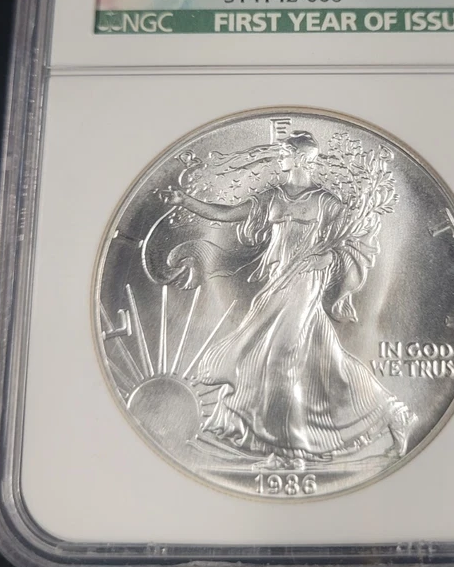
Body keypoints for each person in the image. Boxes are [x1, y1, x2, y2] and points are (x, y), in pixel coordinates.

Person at [161, 130, 413, 467]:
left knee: (280, 358)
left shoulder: (326, 202)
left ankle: (291, 451)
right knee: (326, 362)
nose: (279, 159)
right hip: (278, 283)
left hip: (305, 285)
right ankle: (393, 414)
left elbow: (358, 239)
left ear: (302, 159)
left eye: (284, 154)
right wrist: (186, 202)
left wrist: (331, 258)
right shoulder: (273, 197)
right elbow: (227, 213)